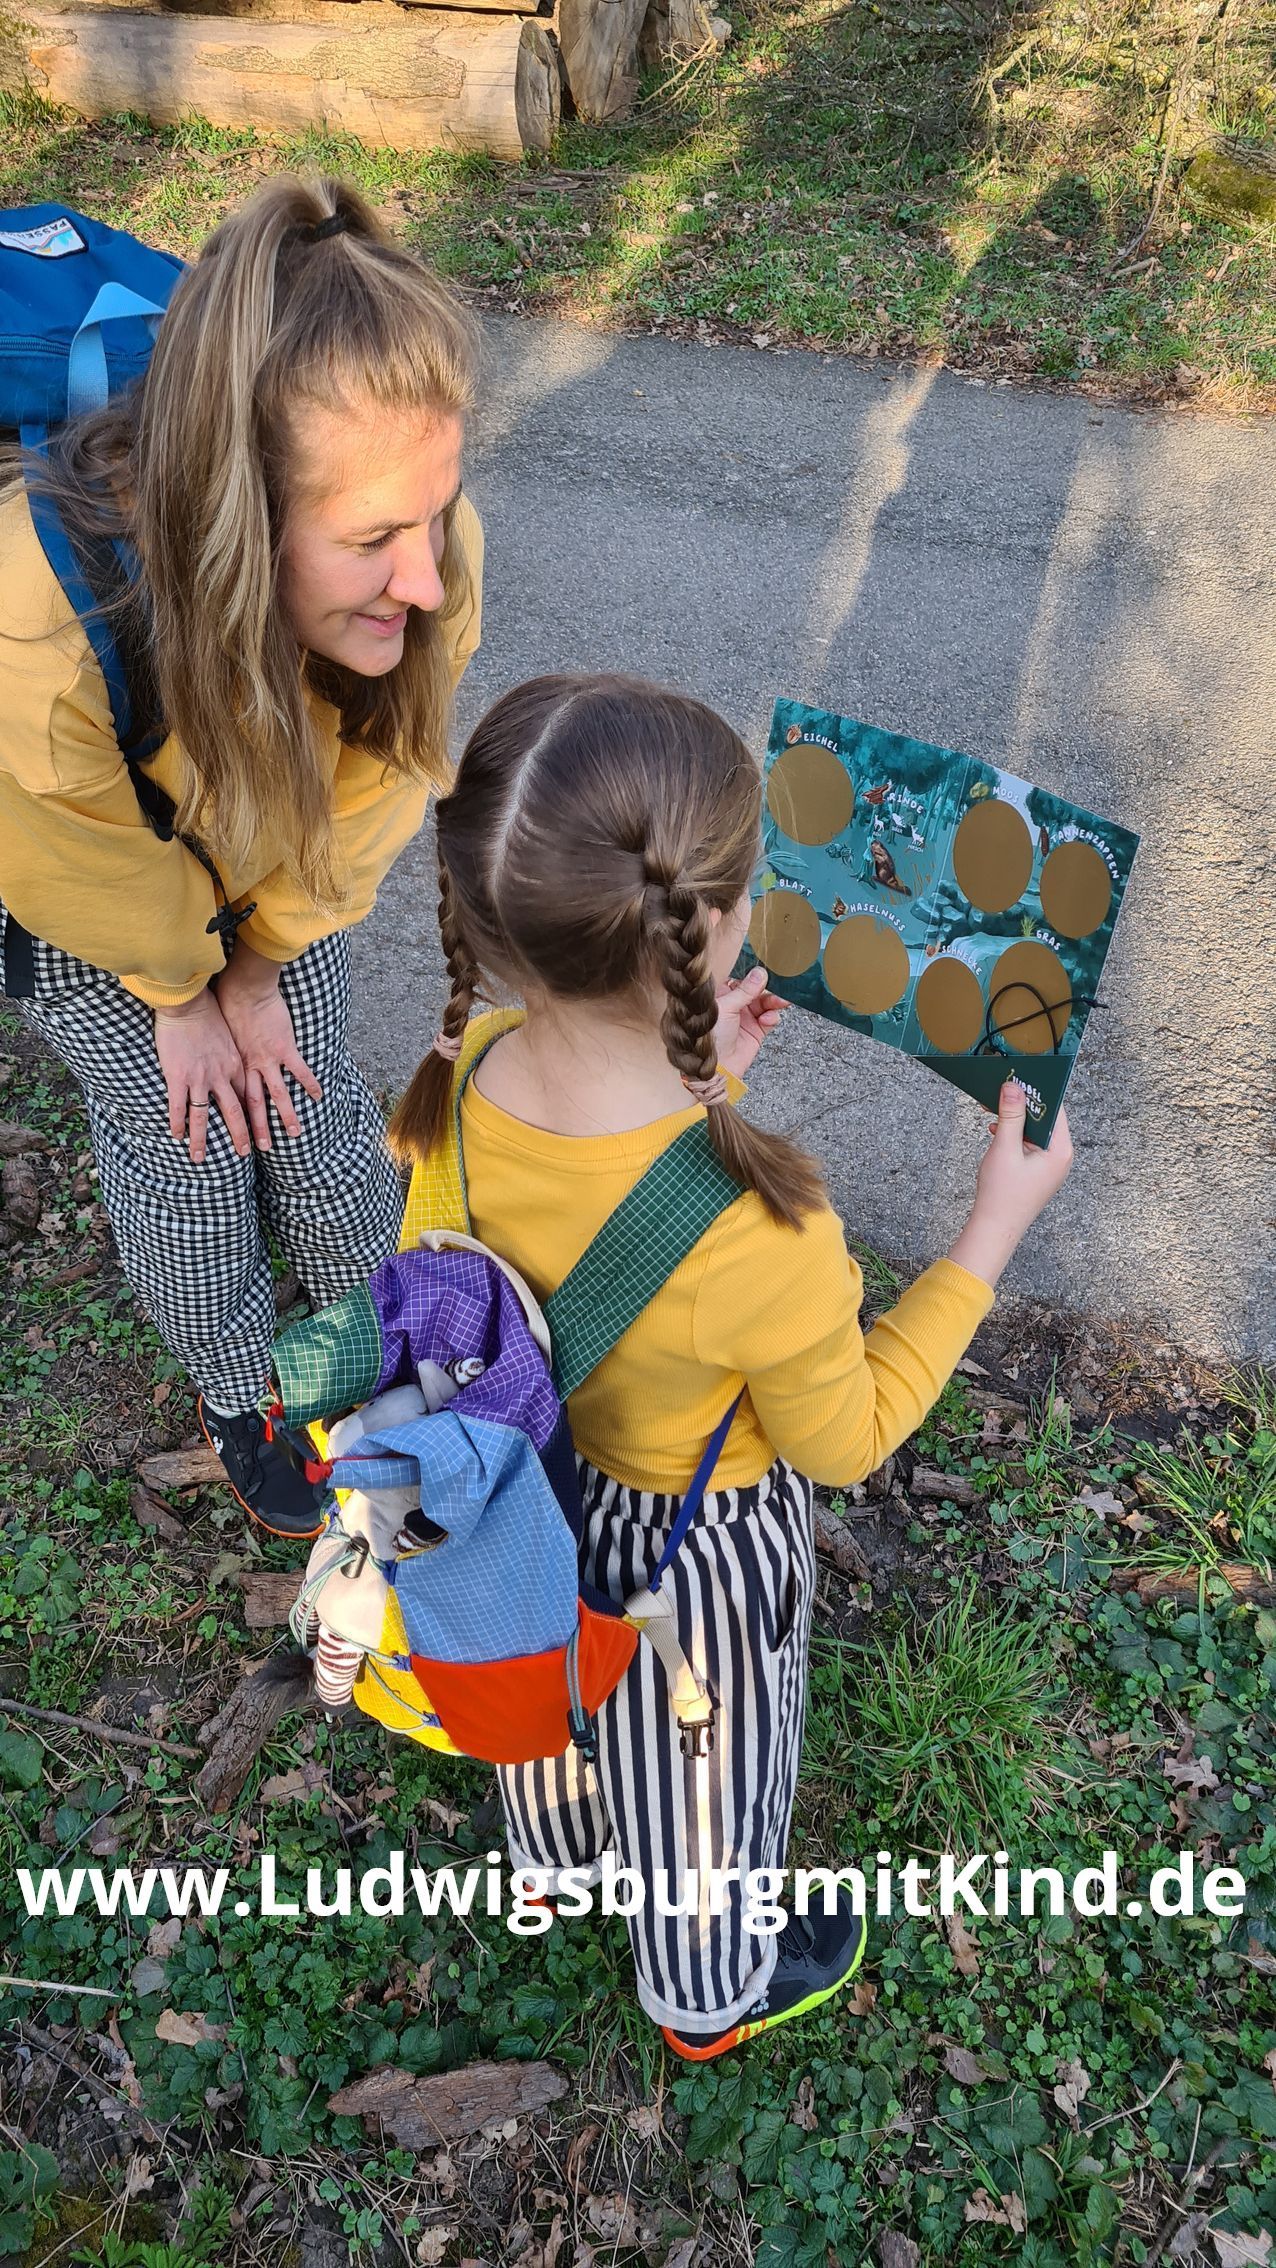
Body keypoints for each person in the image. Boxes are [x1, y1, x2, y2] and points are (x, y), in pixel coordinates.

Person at [387, 672, 1075, 2061]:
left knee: (544, 1672)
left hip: (516, 1497)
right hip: (689, 1559)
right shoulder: (768, 1225)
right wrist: (986, 1241)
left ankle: (561, 1856)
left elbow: (525, 1266)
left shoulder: (456, 1089)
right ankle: (706, 1988)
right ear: (709, 935)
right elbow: (843, 1441)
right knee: (703, 1777)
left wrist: (714, 1088)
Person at [0, 175, 483, 1539]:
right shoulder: (38, 623)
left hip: (272, 857)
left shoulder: (419, 533)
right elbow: (74, 865)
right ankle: (238, 1390)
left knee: (313, 1116)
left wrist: (262, 963)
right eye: (375, 539)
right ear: (228, 506)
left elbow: (385, 775)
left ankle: (352, 1359)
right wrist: (180, 994)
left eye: (436, 514)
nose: (430, 578)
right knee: (189, 1152)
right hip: (94, 900)